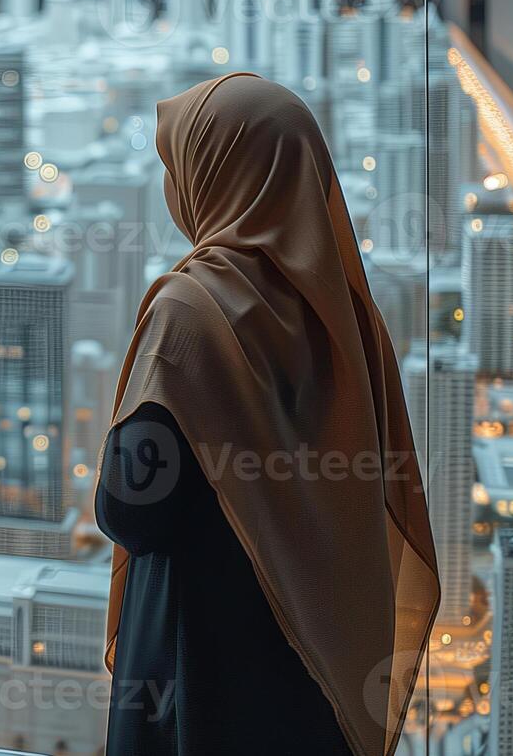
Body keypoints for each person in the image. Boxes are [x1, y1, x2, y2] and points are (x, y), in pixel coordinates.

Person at [94, 73, 438, 756]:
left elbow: (132, 510)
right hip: (311, 670)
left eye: (177, 166)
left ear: (216, 176)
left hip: (196, 664)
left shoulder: (187, 315)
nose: (171, 187)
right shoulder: (349, 322)